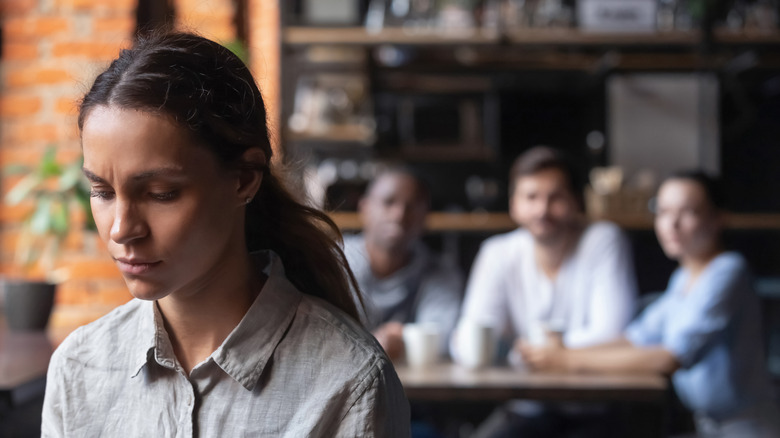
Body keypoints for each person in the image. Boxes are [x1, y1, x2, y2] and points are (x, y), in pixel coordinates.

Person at [41, 32, 410, 437]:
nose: (122, 228)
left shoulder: (348, 382)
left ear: (244, 180)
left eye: (161, 194)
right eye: (102, 192)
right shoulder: (79, 367)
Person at [521, 170, 780, 437]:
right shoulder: (683, 278)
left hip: (749, 429)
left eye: (688, 212)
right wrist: (559, 348)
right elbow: (636, 337)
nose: (672, 224)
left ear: (717, 219)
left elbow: (670, 357)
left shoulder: (728, 271)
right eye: (664, 212)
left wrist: (567, 359)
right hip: (708, 427)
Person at [453, 146, 638, 437]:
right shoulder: (498, 252)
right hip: (526, 406)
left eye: (556, 197)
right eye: (531, 197)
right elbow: (467, 339)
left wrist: (531, 352)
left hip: (593, 409)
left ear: (577, 200)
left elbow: (613, 333)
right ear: (514, 204)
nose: (542, 210)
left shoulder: (603, 240)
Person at [343, 167, 463, 361]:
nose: (399, 215)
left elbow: (443, 337)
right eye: (388, 202)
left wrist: (401, 339)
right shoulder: (333, 262)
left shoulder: (441, 271)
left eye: (412, 206)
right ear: (364, 208)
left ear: (426, 217)